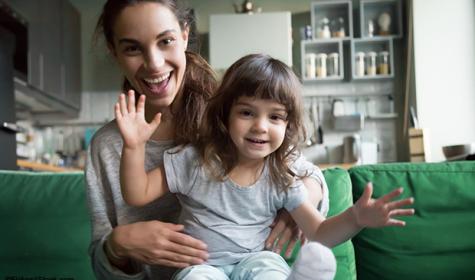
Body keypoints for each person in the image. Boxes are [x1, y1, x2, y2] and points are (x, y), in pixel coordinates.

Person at [115, 53, 415, 280]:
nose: (260, 126)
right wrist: (133, 145)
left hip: (257, 260)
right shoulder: (194, 159)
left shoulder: (280, 176)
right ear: (225, 115)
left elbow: (320, 232)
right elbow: (137, 193)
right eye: (247, 112)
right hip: (202, 266)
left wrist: (356, 217)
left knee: (269, 272)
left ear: (288, 125)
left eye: (275, 117)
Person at [85, 1, 328, 279]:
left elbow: (305, 172)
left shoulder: (227, 117)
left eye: (166, 41)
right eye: (132, 48)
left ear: (185, 35)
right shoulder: (107, 147)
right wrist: (119, 244)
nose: (153, 63)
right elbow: (101, 265)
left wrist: (295, 202)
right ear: (113, 51)